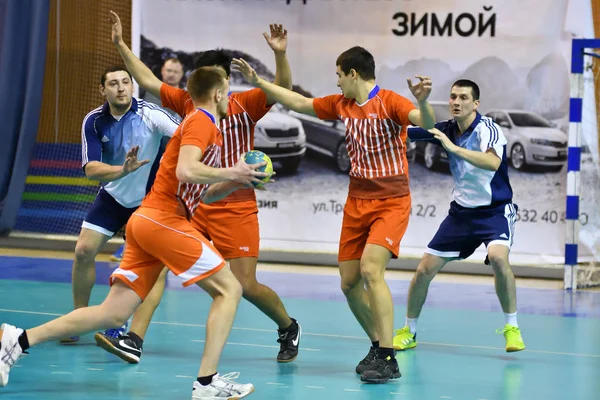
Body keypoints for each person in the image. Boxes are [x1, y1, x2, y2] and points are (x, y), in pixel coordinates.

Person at [0, 66, 268, 400]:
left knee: (112, 313)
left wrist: (235, 180)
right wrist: (233, 168)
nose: (229, 97)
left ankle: (17, 339)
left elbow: (202, 190)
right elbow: (186, 170)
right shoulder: (202, 121)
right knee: (229, 289)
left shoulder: (200, 124)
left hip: (147, 220)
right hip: (163, 219)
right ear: (217, 93)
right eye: (227, 91)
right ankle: (206, 383)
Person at [94, 11, 301, 365]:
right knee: (156, 266)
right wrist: (120, 45)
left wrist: (280, 54)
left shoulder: (246, 103)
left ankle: (287, 325)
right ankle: (134, 339)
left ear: (226, 82)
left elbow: (282, 87)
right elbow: (145, 78)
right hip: (194, 205)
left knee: (245, 285)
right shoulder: (191, 103)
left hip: (235, 205)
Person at [232, 46, 436, 384]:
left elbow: (424, 124)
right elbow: (297, 102)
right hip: (357, 200)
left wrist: (424, 100)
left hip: (391, 200)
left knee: (372, 269)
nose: (337, 81)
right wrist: (258, 82)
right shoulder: (341, 104)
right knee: (349, 282)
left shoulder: (391, 102)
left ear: (352, 74)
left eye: (339, 75)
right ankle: (376, 345)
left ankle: (389, 357)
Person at [393, 79, 525, 353]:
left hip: (495, 212)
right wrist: (416, 104)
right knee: (423, 270)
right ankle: (410, 330)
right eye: (453, 97)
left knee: (500, 259)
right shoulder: (445, 129)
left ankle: (512, 328)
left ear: (475, 104)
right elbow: (404, 132)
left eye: (463, 98)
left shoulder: (489, 129)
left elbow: (492, 161)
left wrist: (453, 149)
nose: (456, 102)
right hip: (460, 215)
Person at [59, 66, 180, 344]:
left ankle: (121, 323)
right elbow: (90, 169)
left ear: (132, 86)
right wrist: (122, 171)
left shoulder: (151, 114)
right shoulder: (94, 121)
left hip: (150, 200)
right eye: (113, 83)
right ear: (103, 90)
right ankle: (79, 317)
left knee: (142, 265)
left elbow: (186, 136)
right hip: (113, 195)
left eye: (126, 82)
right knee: (83, 251)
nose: (121, 88)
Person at [110, 57, 184, 262]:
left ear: (181, 75)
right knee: (137, 201)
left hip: (170, 162)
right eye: (168, 70)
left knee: (163, 205)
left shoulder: (184, 99)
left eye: (175, 71)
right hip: (144, 160)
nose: (171, 74)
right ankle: (128, 245)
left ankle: (160, 247)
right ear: (162, 70)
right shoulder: (147, 95)